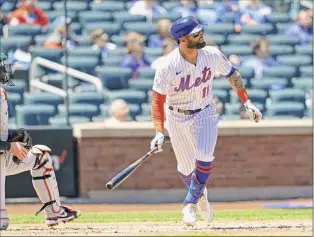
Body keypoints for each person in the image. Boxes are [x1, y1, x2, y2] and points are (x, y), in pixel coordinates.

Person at [149, 16, 262, 227]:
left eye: (201, 31)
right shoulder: (167, 65)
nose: (201, 35)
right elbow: (157, 100)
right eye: (196, 33)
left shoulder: (211, 54)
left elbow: (232, 74)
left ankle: (189, 204)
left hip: (204, 112)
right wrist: (158, 131)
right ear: (182, 39)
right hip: (176, 116)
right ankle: (200, 196)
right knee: (184, 167)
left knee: (204, 156)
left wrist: (247, 102)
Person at [0, 50, 80, 231]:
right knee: (1, 222)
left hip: (2, 157)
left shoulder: (1, 93)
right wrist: (8, 145)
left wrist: (9, 140)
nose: (3, 69)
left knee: (40, 156)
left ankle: (55, 211)